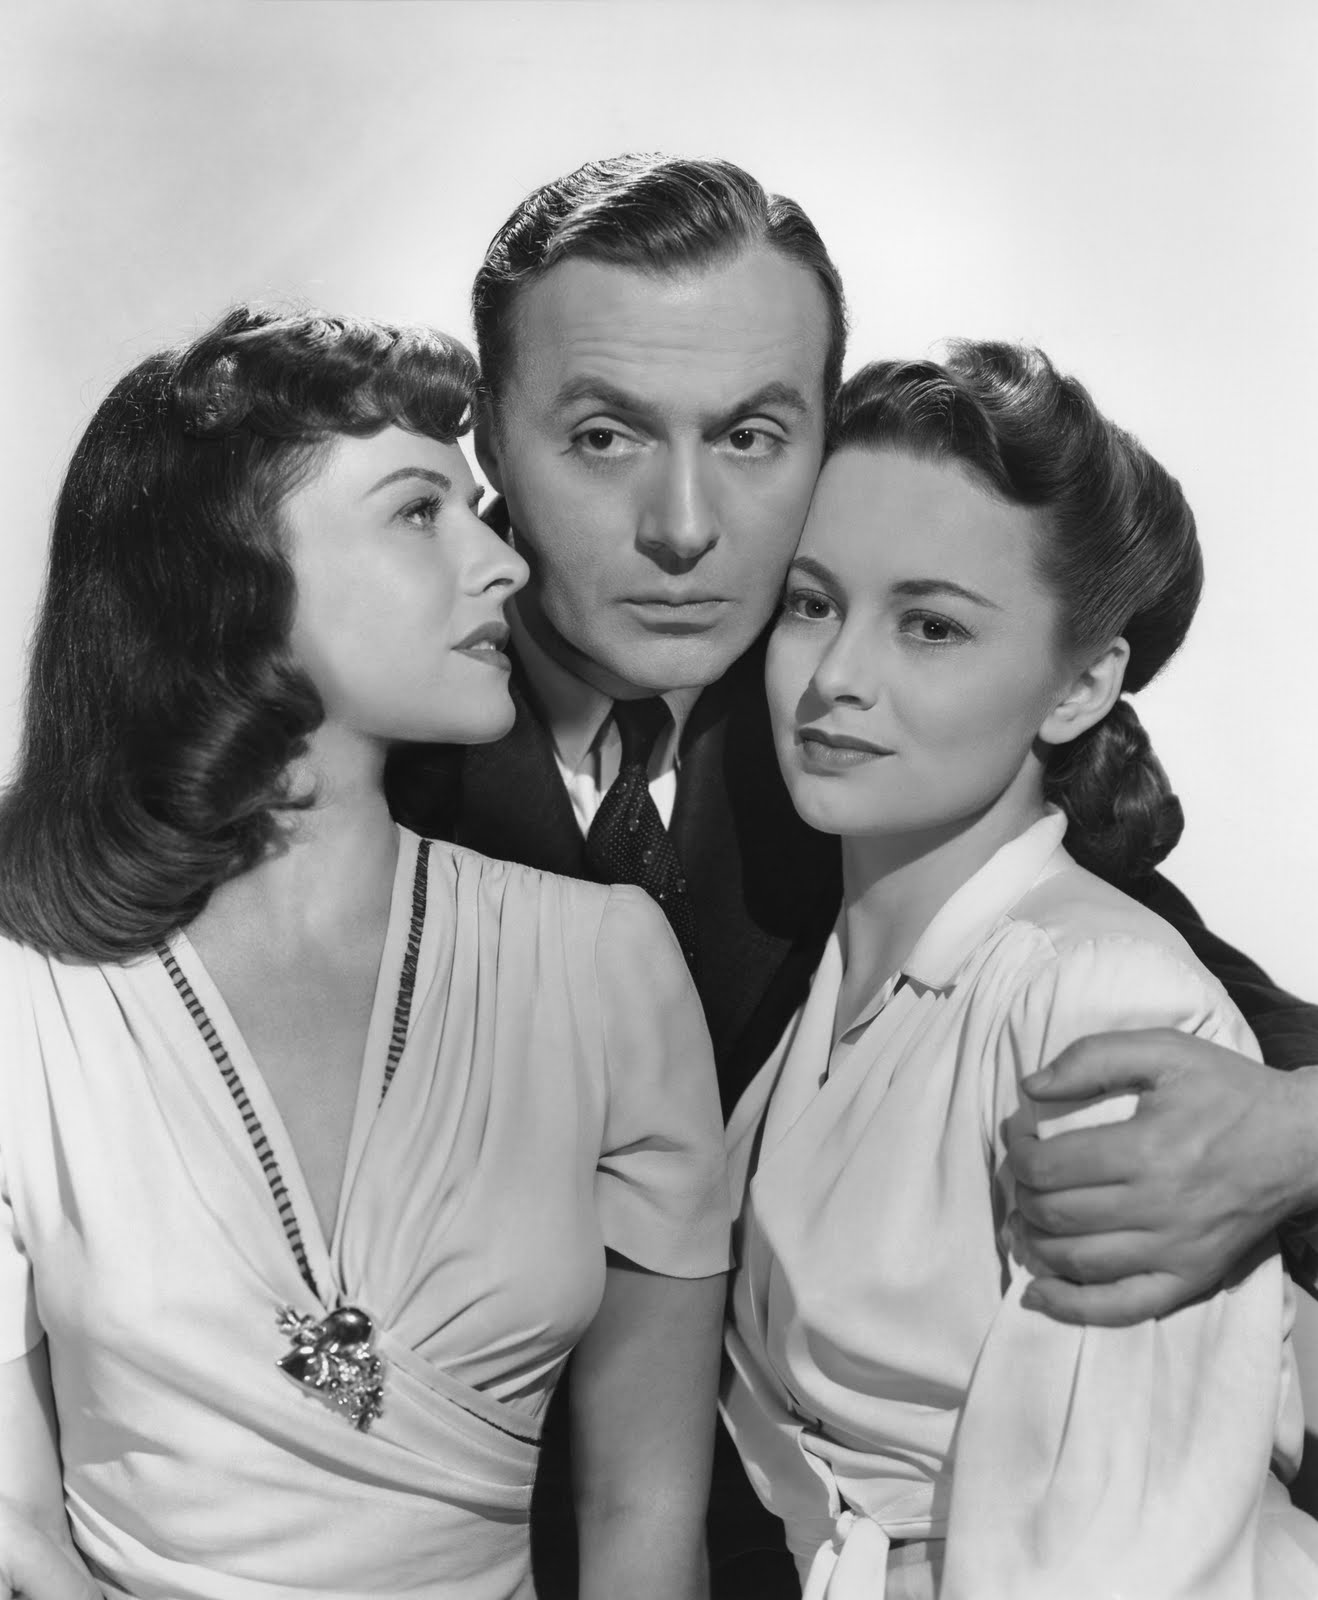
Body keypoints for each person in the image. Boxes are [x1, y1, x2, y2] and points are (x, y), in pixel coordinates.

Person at [384, 152, 1318, 1594]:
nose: (683, 525)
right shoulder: (343, 732)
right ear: (488, 442)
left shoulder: (876, 743)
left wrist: (1301, 1129)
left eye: (752, 437)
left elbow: (1188, 1018)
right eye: (604, 437)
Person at [0, 306, 730, 1600]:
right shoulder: (30, 990)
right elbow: (17, 1535)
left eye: (473, 509)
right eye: (418, 512)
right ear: (231, 581)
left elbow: (643, 1506)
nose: (498, 564)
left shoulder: (603, 965)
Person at [722, 341, 1318, 1597]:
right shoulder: (819, 974)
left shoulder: (1097, 1004)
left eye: (930, 626)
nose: (835, 679)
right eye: (812, 603)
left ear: (1080, 684)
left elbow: (1127, 1552)